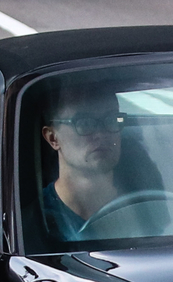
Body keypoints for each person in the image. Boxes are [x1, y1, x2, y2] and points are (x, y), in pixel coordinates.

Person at [39, 96, 127, 240]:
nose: (101, 134)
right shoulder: (34, 222)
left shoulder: (147, 208)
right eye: (84, 123)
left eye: (111, 120)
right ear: (53, 138)